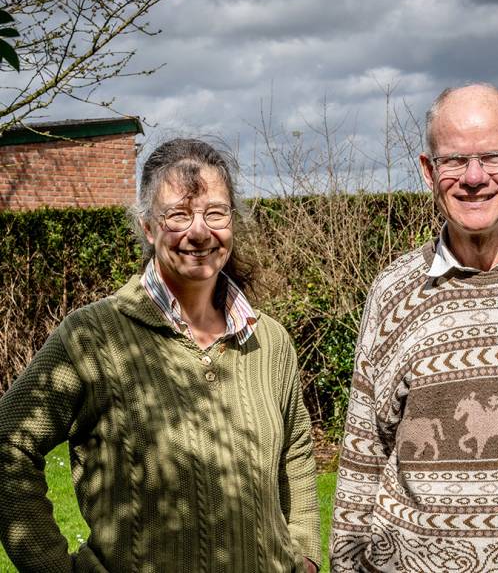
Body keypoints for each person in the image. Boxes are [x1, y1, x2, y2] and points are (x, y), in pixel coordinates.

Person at [0, 139, 320, 572]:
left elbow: (295, 454)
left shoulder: (270, 342)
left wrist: (303, 554)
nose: (200, 231)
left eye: (215, 212)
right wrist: (57, 566)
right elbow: (9, 443)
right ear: (148, 227)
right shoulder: (93, 338)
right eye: (179, 215)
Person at [330, 84, 498, 572]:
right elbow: (362, 450)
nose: (474, 178)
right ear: (428, 171)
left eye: (493, 157)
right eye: (454, 161)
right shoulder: (394, 291)